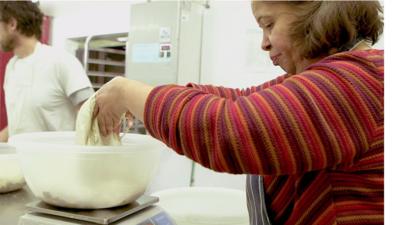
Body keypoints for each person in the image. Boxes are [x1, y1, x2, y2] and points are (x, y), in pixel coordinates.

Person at [94, 1, 383, 224]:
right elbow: (242, 100)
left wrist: (128, 93)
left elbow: (233, 130)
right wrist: (143, 94)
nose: (264, 43)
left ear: (317, 11)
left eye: (269, 24)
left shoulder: (359, 80)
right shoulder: (340, 76)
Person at [0, 1, 94, 142]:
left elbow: (93, 116)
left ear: (12, 24)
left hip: (57, 161)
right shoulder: (12, 67)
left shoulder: (61, 61)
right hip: (21, 160)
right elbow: (20, 125)